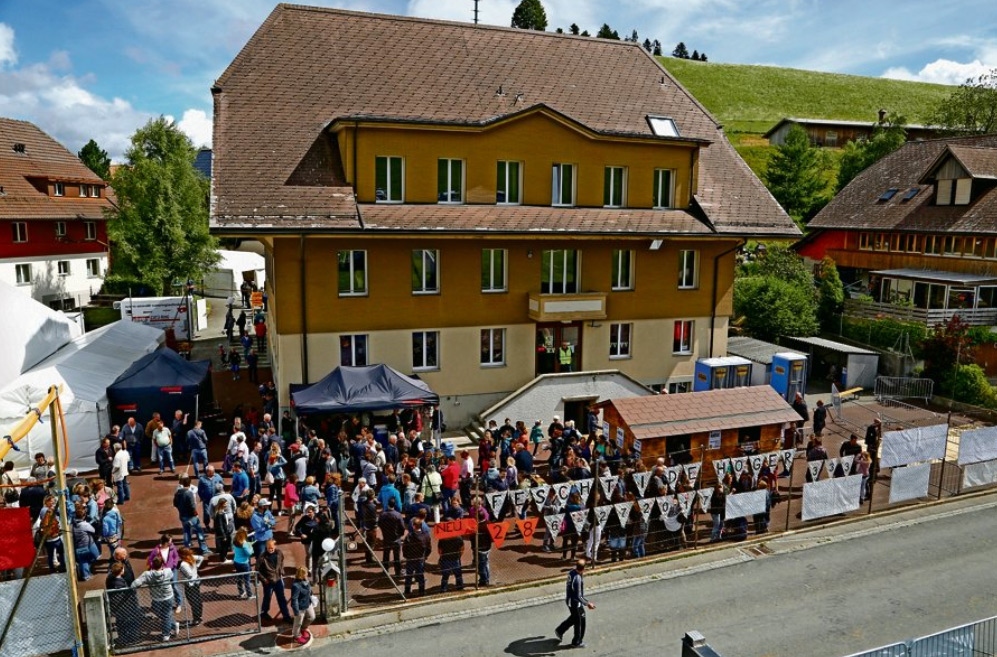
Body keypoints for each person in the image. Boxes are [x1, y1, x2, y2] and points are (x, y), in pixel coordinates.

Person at [132, 555, 179, 641]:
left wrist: (139, 584)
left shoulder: (147, 574)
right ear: (162, 564)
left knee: (164, 615)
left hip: (158, 598)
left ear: (152, 564)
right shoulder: (168, 571)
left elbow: (134, 584)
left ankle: (166, 635)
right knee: (165, 615)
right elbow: (171, 576)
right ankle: (173, 625)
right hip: (168, 597)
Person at [554, 558, 595, 648]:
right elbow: (578, 596)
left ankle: (560, 630)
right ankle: (576, 642)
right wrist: (588, 603)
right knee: (579, 621)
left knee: (575, 618)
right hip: (574, 603)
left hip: (570, 601)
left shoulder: (572, 572)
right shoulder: (577, 579)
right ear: (583, 569)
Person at [257, 539, 293, 624]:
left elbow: (281, 561)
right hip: (268, 582)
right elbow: (257, 571)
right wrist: (265, 580)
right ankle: (264, 613)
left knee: (281, 598)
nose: (271, 550)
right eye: (269, 548)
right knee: (267, 597)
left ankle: (286, 616)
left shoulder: (279, 553)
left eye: (272, 548)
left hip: (278, 579)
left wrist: (281, 570)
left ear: (275, 547)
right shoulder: (262, 557)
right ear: (266, 548)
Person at [106, 561, 141, 646]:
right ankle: (132, 638)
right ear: (121, 571)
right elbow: (127, 592)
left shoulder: (109, 579)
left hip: (116, 606)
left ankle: (123, 639)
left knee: (120, 622)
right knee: (129, 621)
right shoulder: (120, 582)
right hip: (124, 606)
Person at [438, 507, 465, 593]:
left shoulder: (442, 538)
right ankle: (459, 587)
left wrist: (442, 556)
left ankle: (443, 589)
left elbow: (439, 550)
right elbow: (462, 548)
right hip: (455, 558)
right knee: (458, 574)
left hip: (445, 558)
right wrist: (459, 555)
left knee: (445, 576)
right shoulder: (458, 537)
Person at [402, 517, 431, 597]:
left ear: (414, 526)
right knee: (420, 575)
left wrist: (406, 556)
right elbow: (429, 548)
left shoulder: (409, 536)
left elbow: (404, 548)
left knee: (409, 576)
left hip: (410, 559)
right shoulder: (426, 536)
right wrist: (425, 556)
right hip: (420, 559)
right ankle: (421, 591)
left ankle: (407, 591)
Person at [378, 497, 406, 578]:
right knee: (397, 556)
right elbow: (402, 527)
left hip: (386, 538)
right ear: (394, 505)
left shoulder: (383, 514)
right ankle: (397, 572)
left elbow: (379, 524)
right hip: (396, 539)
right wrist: (400, 534)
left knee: (385, 555)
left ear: (388, 504)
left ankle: (385, 571)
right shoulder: (398, 515)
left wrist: (384, 532)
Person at [177, 547, 204, 627]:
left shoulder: (183, 564)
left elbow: (189, 575)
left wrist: (181, 575)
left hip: (190, 585)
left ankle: (196, 619)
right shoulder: (192, 557)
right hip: (196, 582)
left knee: (193, 601)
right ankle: (199, 617)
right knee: (197, 599)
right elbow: (201, 558)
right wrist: (197, 566)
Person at [289, 566, 314, 644]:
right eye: (306, 573)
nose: (307, 574)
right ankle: (296, 636)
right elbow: (294, 599)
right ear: (302, 574)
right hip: (300, 607)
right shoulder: (296, 585)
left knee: (311, 617)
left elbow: (309, 591)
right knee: (298, 623)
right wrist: (296, 611)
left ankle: (303, 628)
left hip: (307, 603)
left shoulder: (306, 581)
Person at [232, 529, 255, 599]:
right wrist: (251, 547)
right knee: (247, 580)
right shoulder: (244, 543)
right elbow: (249, 553)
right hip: (244, 563)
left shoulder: (235, 540)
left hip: (236, 562)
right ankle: (249, 595)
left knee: (239, 578)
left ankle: (241, 592)